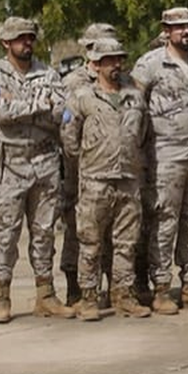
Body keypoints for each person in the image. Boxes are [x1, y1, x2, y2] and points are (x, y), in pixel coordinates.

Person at [131, 7, 188, 313]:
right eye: (179, 27)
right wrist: (138, 152)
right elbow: (135, 108)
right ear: (166, 30)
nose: (186, 31)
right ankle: (161, 288)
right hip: (165, 154)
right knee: (165, 221)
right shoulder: (150, 64)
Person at [0, 16, 74, 323]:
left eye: (30, 37)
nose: (27, 42)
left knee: (44, 232)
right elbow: (2, 112)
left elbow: (61, 113)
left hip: (45, 164)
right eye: (20, 38)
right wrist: (39, 103)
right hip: (10, 166)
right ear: (6, 42)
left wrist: (23, 105)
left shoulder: (47, 73)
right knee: (7, 234)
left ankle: (45, 295)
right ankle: (2, 297)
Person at [61, 38, 151, 319]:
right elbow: (69, 138)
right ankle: (88, 297)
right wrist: (89, 161)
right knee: (90, 242)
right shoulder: (82, 97)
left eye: (119, 59)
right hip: (95, 180)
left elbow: (143, 134)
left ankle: (123, 294)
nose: (116, 65)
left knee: (126, 242)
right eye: (109, 60)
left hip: (127, 178)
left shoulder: (134, 96)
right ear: (96, 64)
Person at [60, 23, 120, 305]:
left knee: (114, 230)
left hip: (113, 168)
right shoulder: (74, 82)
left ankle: (115, 286)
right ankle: (76, 288)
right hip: (82, 171)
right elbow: (67, 130)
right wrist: (82, 160)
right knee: (80, 229)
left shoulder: (120, 79)